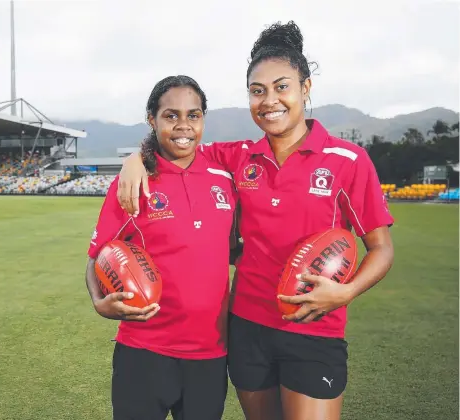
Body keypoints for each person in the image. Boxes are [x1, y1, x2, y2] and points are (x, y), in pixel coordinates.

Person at [115, 21, 395, 420]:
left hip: (314, 328)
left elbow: (382, 249)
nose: (270, 100)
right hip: (246, 327)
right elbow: (177, 138)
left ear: (305, 88)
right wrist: (134, 158)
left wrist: (345, 294)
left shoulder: (348, 161)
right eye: (257, 91)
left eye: (282, 87)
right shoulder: (237, 157)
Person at [85, 75, 239, 420]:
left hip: (210, 354)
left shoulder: (225, 176)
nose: (183, 126)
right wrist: (99, 302)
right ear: (151, 119)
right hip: (144, 351)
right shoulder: (132, 182)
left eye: (193, 115)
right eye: (171, 116)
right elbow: (98, 256)